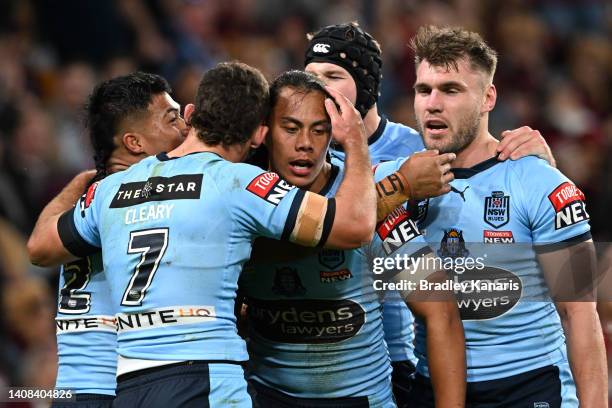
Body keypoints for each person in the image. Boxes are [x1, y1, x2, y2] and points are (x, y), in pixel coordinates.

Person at [27, 61, 377, 407]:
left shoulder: (109, 190)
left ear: (194, 114)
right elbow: (356, 226)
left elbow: (40, 250)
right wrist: (358, 145)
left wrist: (78, 185)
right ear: (260, 134)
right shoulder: (239, 183)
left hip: (129, 384)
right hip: (205, 378)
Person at [303, 22, 557, 405]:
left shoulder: (414, 148)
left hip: (391, 358)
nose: (318, 88)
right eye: (310, 76)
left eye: (333, 76)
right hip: (299, 361)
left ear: (366, 86)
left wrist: (543, 170)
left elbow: (483, 171)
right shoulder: (284, 146)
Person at [394, 25, 606, 407]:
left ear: (488, 97)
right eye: (423, 90)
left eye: (452, 90)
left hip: (528, 388)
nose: (433, 103)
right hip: (433, 386)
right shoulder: (399, 184)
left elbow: (580, 314)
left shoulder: (540, 182)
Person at [239, 70, 465, 407]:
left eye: (319, 130)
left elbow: (440, 312)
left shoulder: (371, 203)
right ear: (265, 132)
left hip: (360, 399)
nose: (305, 143)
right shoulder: (240, 194)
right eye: (291, 128)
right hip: (268, 396)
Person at [51, 72, 188, 407]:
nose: (185, 129)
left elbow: (38, 247)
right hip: (120, 384)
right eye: (173, 119)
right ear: (134, 143)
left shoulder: (87, 197)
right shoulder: (150, 198)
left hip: (69, 387)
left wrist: (80, 182)